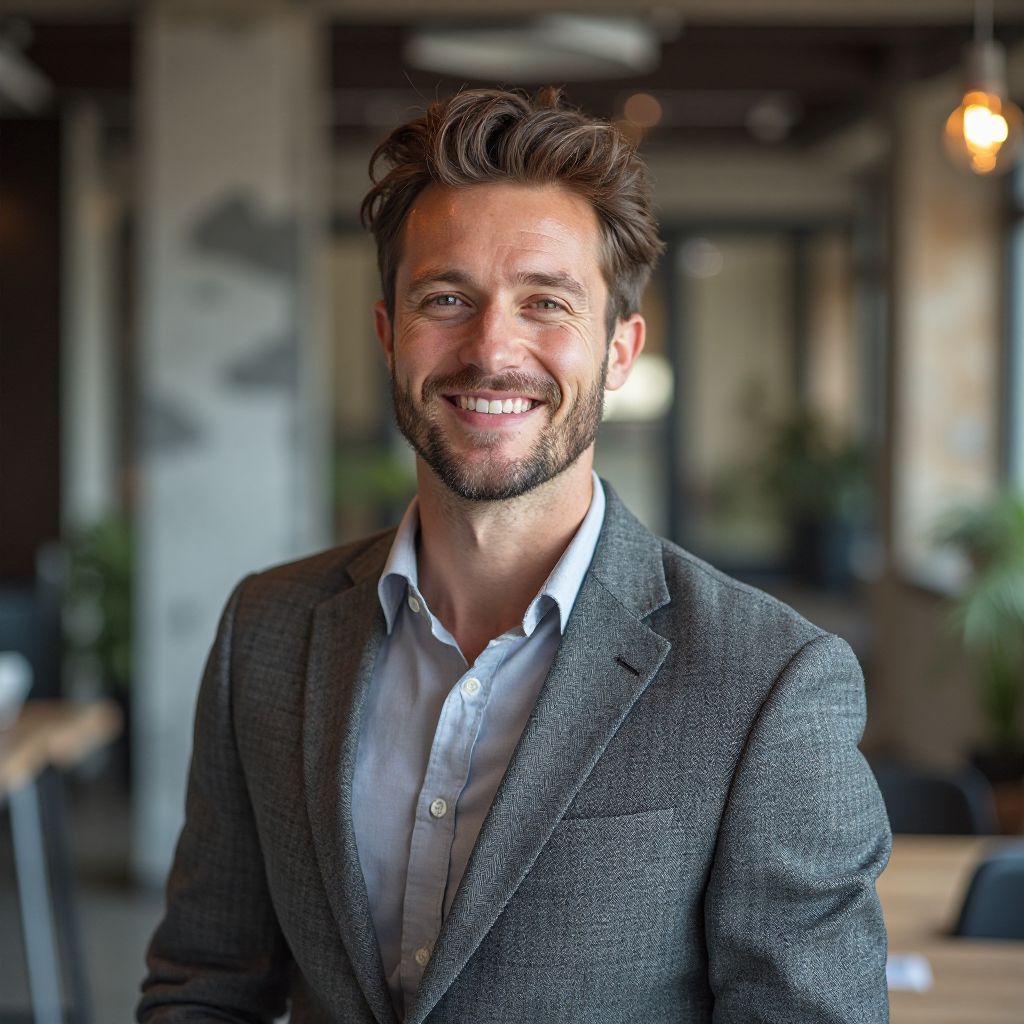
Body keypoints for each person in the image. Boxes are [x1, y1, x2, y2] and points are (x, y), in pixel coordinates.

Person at [138, 88, 890, 1024]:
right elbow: (205, 983)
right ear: (387, 336)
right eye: (446, 298)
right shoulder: (267, 630)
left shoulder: (767, 681)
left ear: (619, 350)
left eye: (547, 302)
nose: (493, 349)